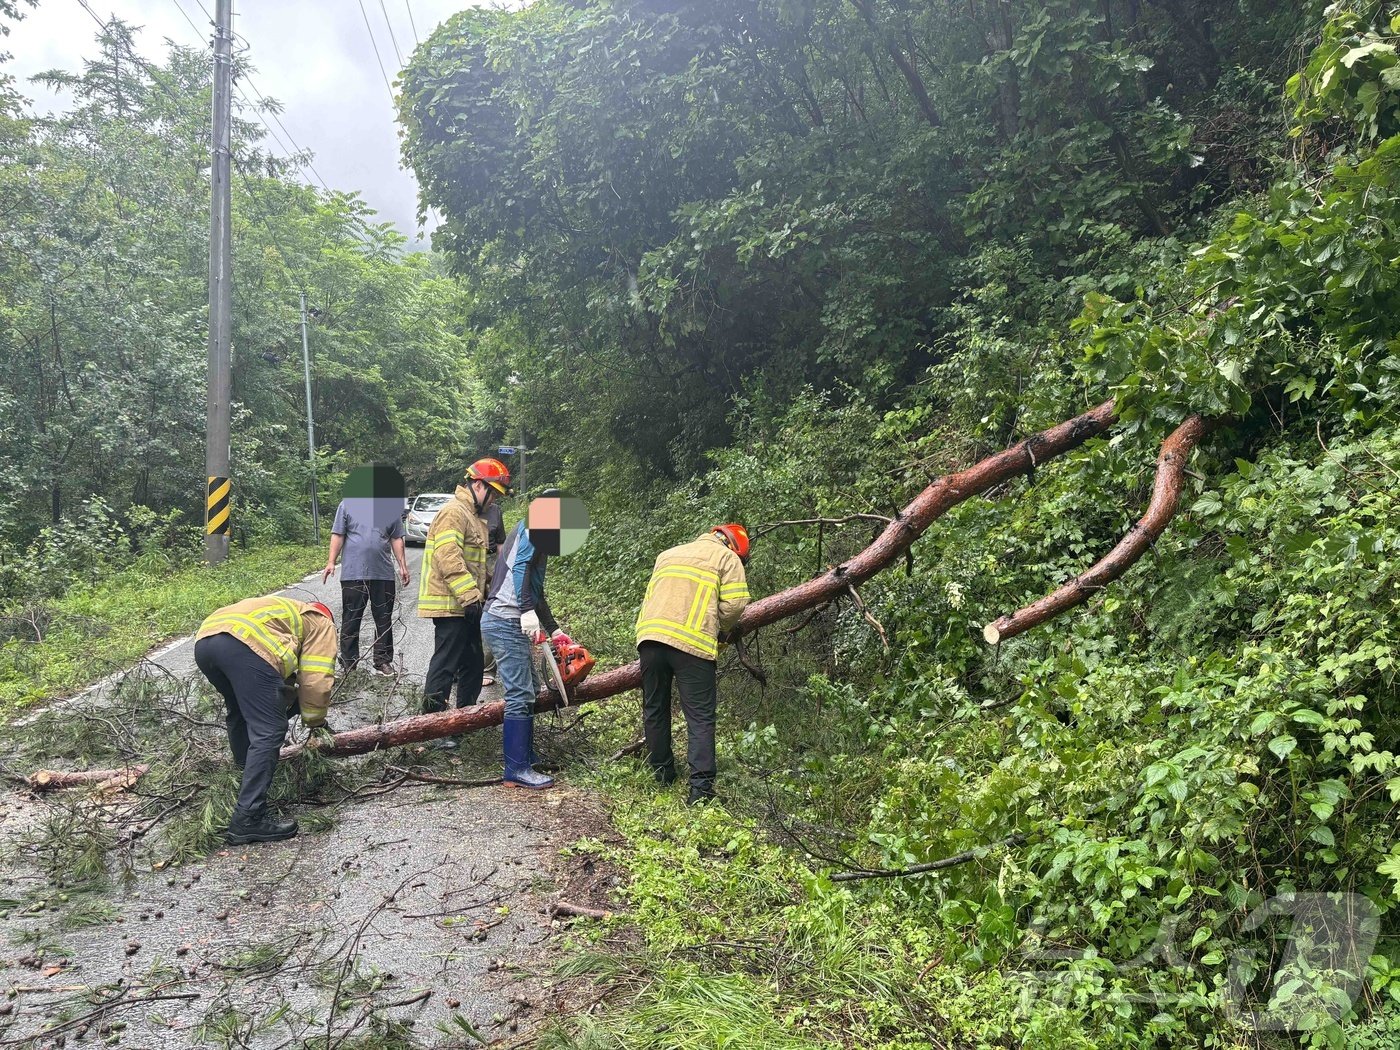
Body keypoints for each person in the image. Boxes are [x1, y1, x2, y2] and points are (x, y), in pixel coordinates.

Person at [194, 596, 337, 844]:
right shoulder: (320, 622)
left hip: (206, 641)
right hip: (243, 645)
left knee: (239, 712)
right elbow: (316, 680)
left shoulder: (282, 612)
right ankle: (248, 817)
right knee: (269, 730)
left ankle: (240, 783)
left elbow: (278, 677)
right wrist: (317, 724)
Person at [635, 524, 751, 804]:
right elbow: (735, 606)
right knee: (699, 717)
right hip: (692, 644)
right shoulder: (727, 559)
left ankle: (662, 775)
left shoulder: (668, 554)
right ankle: (700, 791)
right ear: (736, 548)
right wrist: (721, 627)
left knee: (655, 708)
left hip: (650, 638)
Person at [480, 495, 572, 788]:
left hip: (509, 618)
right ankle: (516, 769)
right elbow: (520, 569)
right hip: (503, 618)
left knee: (531, 687)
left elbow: (535, 590)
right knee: (521, 692)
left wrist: (554, 630)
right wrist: (525, 611)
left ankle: (526, 757)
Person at [417, 458, 510, 739]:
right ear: (478, 485)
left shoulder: (472, 515)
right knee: (445, 664)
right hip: (451, 604)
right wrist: (471, 598)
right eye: (492, 493)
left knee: (472, 664)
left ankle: (464, 724)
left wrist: (497, 587)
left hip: (467, 604)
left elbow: (476, 566)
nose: (494, 500)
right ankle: (430, 729)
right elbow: (449, 559)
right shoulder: (454, 512)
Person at [322, 485, 411, 676]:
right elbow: (338, 534)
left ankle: (382, 661)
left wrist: (403, 566)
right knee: (351, 617)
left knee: (384, 618)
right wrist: (331, 562)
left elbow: (397, 539)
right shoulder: (346, 506)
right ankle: (349, 663)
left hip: (383, 573)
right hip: (354, 574)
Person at [480, 499, 507, 687]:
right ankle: (460, 667)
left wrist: (502, 569)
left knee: (490, 613)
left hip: (490, 559)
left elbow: (500, 543)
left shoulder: (495, 510)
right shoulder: (464, 509)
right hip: (470, 560)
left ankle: (487, 669)